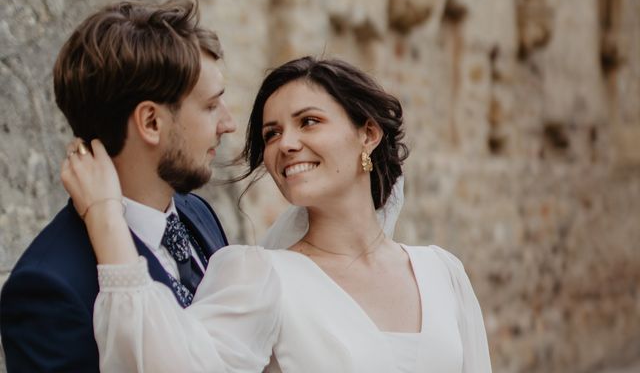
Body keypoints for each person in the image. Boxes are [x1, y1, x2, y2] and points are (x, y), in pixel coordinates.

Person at [62, 57, 492, 372]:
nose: (285, 144)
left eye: (308, 122)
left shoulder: (442, 272)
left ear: (368, 133)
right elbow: (167, 365)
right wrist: (106, 219)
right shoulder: (260, 276)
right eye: (272, 134)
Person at [0, 0, 236, 371]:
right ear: (151, 123)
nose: (228, 124)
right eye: (210, 106)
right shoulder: (49, 290)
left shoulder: (197, 213)